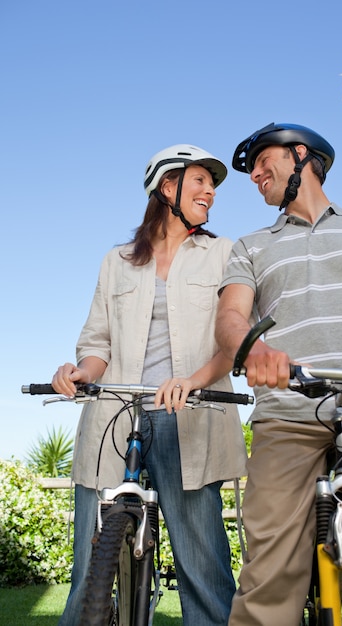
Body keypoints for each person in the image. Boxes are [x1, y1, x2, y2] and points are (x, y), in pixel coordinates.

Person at [215, 122, 342, 626]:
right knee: (271, 569)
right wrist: (253, 348)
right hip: (289, 410)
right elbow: (230, 319)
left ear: (300, 155)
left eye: (265, 161)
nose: (256, 175)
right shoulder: (251, 245)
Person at [52, 143, 247, 626]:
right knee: (86, 573)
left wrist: (195, 380)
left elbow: (236, 337)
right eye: (201, 181)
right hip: (113, 419)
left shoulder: (225, 253)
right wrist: (83, 372)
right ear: (168, 186)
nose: (211, 193)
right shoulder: (117, 260)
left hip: (191, 419)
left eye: (214, 185)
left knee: (203, 572)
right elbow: (97, 342)